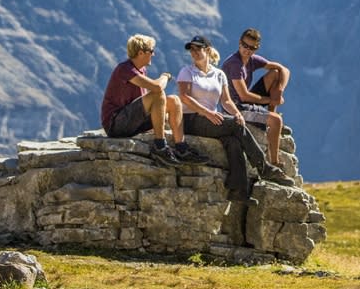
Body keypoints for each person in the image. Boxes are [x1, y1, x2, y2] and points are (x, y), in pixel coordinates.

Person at [177, 34, 295, 200]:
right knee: (236, 126)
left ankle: (238, 190)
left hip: (211, 119)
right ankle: (264, 167)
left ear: (208, 50)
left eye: (198, 48)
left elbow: (226, 100)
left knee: (233, 141)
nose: (194, 52)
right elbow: (184, 97)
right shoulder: (186, 72)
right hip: (191, 120)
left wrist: (237, 113)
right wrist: (208, 113)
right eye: (192, 49)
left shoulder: (219, 74)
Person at [100, 33, 207, 167]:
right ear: (140, 53)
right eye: (151, 51)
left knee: (174, 100)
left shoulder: (141, 70)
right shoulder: (125, 69)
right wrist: (165, 76)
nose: (154, 54)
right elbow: (157, 88)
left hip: (132, 121)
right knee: (158, 93)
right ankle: (160, 147)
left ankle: (181, 148)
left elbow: (146, 102)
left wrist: (162, 118)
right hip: (116, 124)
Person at [221, 27, 289, 165]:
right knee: (276, 121)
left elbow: (283, 69)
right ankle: (273, 162)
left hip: (246, 103)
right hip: (235, 108)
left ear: (256, 48)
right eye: (244, 45)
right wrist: (271, 99)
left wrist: (279, 90)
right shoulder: (235, 64)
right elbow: (244, 95)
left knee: (275, 74)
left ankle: (269, 116)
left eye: (251, 48)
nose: (247, 50)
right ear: (239, 43)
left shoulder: (252, 60)